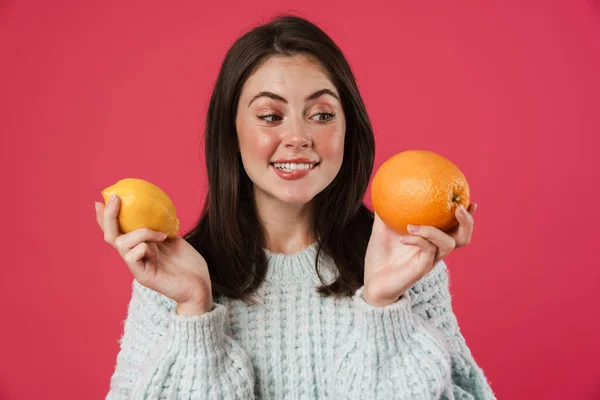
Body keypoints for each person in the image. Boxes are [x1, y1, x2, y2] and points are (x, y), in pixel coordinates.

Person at [95, 14, 496, 400]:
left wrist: (383, 308)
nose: (298, 136)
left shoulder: (408, 264)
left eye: (322, 115)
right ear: (230, 133)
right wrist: (194, 309)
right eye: (271, 116)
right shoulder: (168, 278)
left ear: (347, 130)